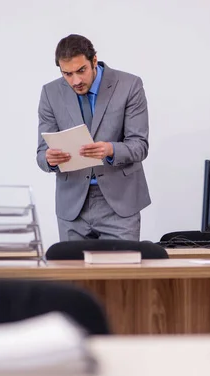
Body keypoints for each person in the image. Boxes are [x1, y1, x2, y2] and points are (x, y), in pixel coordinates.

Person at [36, 34, 151, 241]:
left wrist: (110, 150)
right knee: (73, 274)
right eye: (67, 74)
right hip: (72, 207)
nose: (76, 80)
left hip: (119, 205)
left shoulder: (129, 85)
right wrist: (49, 159)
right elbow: (41, 154)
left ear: (94, 61)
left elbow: (140, 145)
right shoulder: (50, 93)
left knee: (120, 273)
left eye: (81, 70)